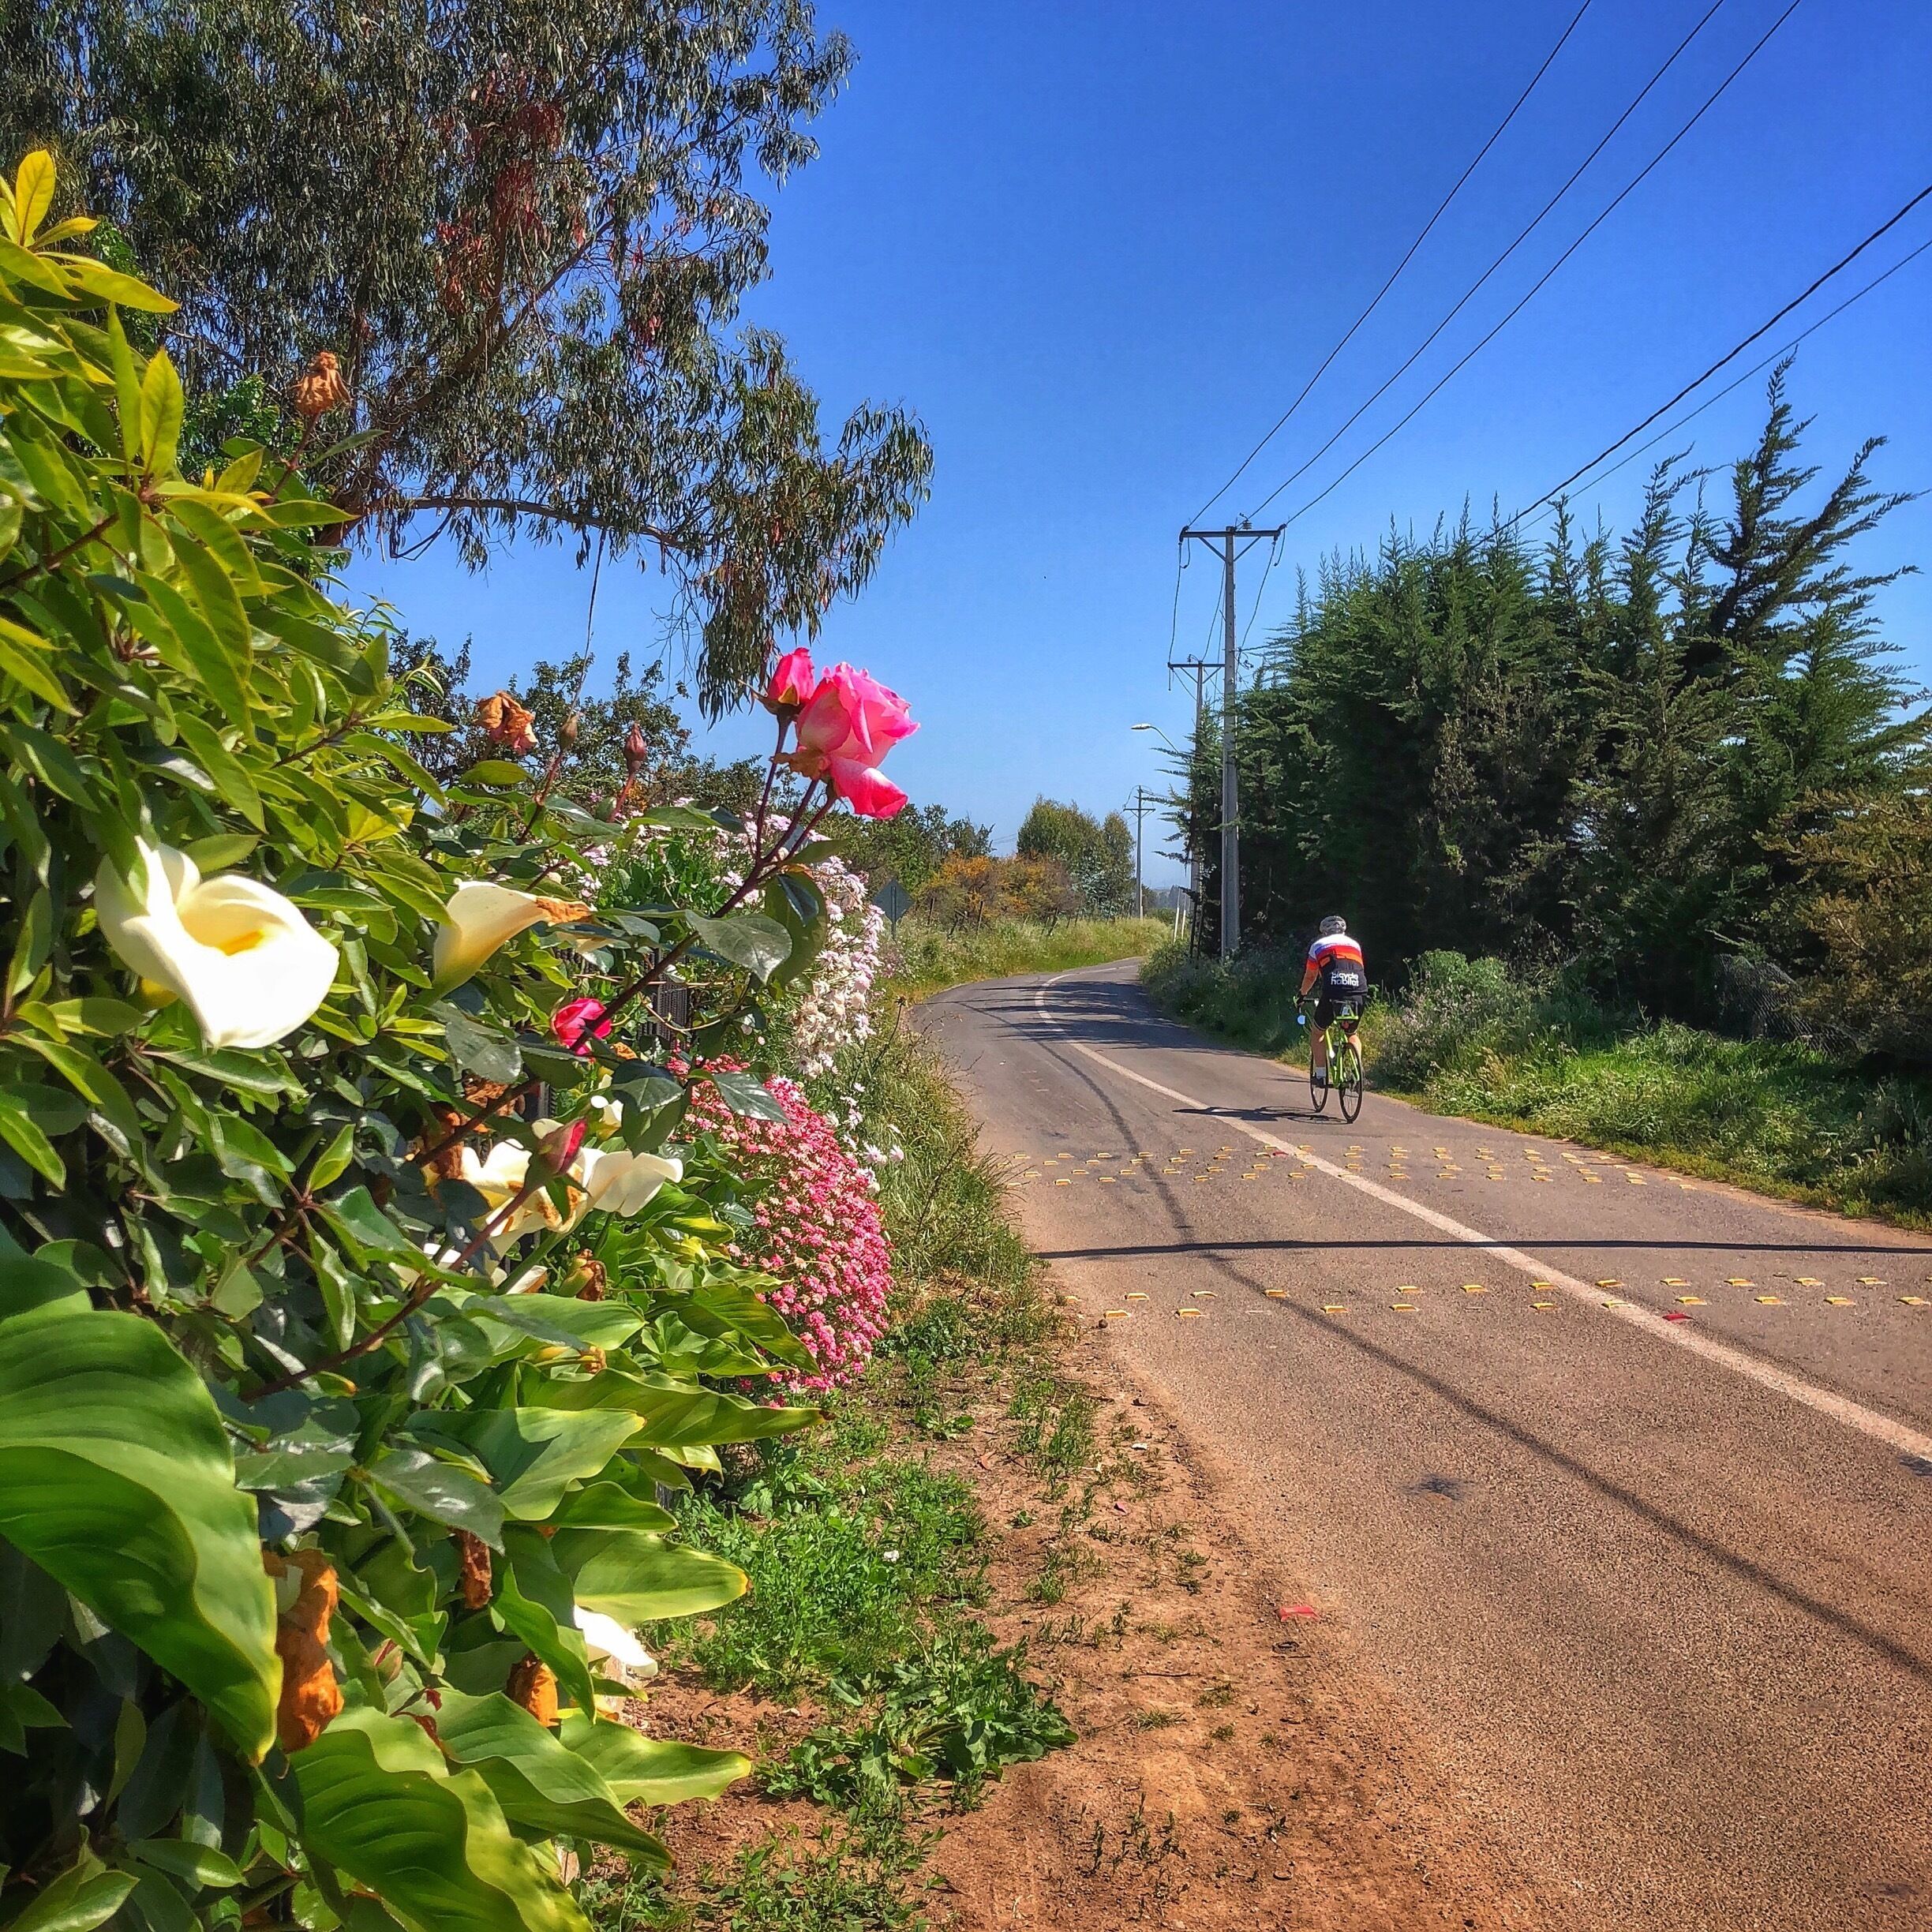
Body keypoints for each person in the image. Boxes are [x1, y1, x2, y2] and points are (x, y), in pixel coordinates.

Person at [1298, 915, 1367, 1080]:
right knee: (1352, 1033)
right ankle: (1358, 1071)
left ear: (1324, 932)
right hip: (1359, 990)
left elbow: (1310, 976)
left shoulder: (1318, 946)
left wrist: (1302, 994)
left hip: (1333, 991)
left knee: (1318, 1032)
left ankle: (1321, 1074)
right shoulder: (1355, 945)